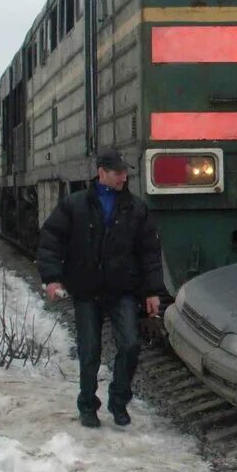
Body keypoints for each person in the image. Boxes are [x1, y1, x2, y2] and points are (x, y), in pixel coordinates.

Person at [37, 149, 163, 428]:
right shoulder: (74, 205)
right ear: (101, 173)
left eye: (124, 172)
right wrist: (53, 277)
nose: (123, 177)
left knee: (130, 344)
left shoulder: (137, 208)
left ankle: (119, 401)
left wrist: (152, 291)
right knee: (89, 351)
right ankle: (87, 406)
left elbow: (149, 252)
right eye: (117, 172)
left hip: (122, 290)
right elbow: (50, 240)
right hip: (86, 289)